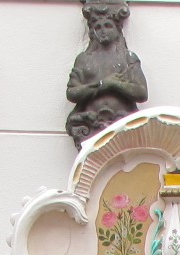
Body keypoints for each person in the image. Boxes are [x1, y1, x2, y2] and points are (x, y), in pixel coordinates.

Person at [65, 1, 148, 147]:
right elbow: (72, 92)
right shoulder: (84, 59)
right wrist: (102, 85)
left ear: (117, 29)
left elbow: (141, 93)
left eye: (108, 26)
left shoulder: (127, 58)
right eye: (98, 27)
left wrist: (115, 84)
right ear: (92, 31)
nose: (103, 30)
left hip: (122, 122)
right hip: (89, 123)